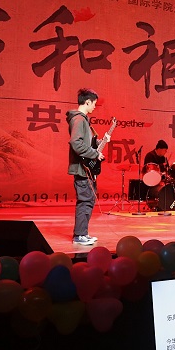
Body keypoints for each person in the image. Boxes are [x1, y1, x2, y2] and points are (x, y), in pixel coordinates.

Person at [66, 88, 109, 246]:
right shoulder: (79, 119)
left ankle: (83, 233)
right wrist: (94, 154)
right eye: (94, 104)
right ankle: (79, 235)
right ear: (87, 102)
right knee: (85, 201)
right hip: (81, 168)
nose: (94, 107)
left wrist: (99, 144)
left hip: (86, 168)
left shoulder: (83, 120)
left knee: (88, 200)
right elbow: (76, 143)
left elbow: (87, 143)